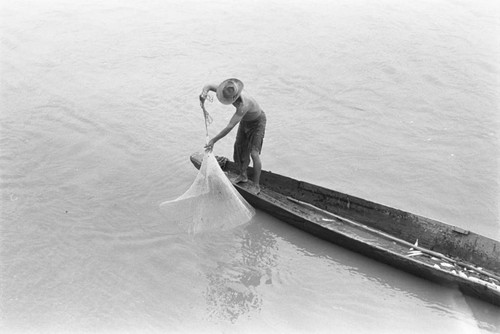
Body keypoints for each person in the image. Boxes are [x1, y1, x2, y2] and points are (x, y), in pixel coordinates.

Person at [199, 78, 266, 194]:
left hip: (257, 123)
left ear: (234, 98)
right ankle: (243, 175)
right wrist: (204, 94)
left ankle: (256, 185)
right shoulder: (227, 90)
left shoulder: (243, 105)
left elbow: (230, 126)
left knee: (254, 153)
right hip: (245, 120)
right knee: (239, 147)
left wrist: (213, 140)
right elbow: (209, 85)